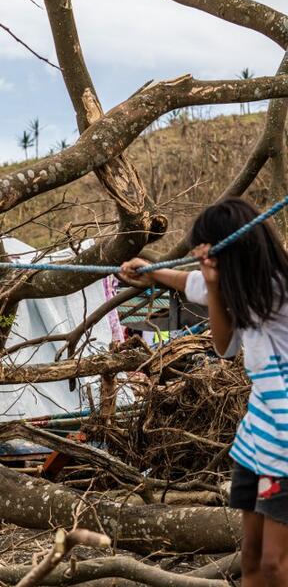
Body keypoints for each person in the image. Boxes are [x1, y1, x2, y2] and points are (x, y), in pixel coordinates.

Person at [120, 197, 288, 586]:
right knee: (251, 556)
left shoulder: (278, 291)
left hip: (285, 446)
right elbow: (223, 346)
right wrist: (155, 271)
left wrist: (212, 282)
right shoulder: (235, 288)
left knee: (277, 564)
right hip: (257, 438)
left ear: (238, 250)